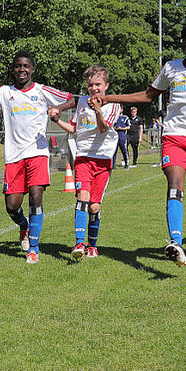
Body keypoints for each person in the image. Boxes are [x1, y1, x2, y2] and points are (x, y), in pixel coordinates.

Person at [98, 16, 186, 268]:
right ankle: (176, 243)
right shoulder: (170, 68)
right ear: (182, 45)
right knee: (175, 186)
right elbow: (147, 95)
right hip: (174, 137)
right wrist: (108, 97)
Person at [0, 51, 75, 263]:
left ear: (32, 69)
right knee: (12, 206)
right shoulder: (4, 92)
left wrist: (57, 108)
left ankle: (34, 248)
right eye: (18, 66)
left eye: (26, 66)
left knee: (36, 198)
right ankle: (24, 226)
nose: (22, 70)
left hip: (37, 152)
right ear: (13, 69)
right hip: (13, 156)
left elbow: (71, 99)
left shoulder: (41, 90)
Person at [52, 65, 121, 260]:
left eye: (98, 84)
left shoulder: (114, 105)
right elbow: (73, 128)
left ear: (106, 85)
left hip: (103, 161)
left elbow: (102, 129)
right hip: (83, 158)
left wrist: (98, 110)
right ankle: (79, 243)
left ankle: (92, 245)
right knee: (83, 196)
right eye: (90, 85)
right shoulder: (82, 102)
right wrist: (57, 120)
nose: (94, 88)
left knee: (94, 207)